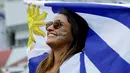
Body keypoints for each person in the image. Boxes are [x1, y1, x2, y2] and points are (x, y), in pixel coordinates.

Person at [36, 8, 89, 73]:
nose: (49, 28)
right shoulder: (40, 67)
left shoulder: (83, 65)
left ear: (75, 32)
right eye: (49, 24)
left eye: (57, 24)